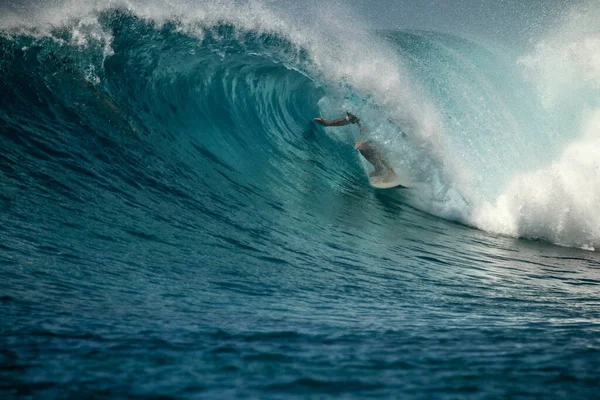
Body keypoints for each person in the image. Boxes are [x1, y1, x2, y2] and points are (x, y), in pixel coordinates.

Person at [313, 112, 395, 180]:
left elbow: (370, 128)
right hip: (374, 132)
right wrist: (328, 123)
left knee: (372, 145)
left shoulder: (363, 111)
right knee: (363, 147)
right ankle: (379, 169)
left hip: (382, 130)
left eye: (349, 115)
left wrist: (361, 140)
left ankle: (391, 172)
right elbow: (345, 121)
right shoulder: (356, 113)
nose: (348, 117)